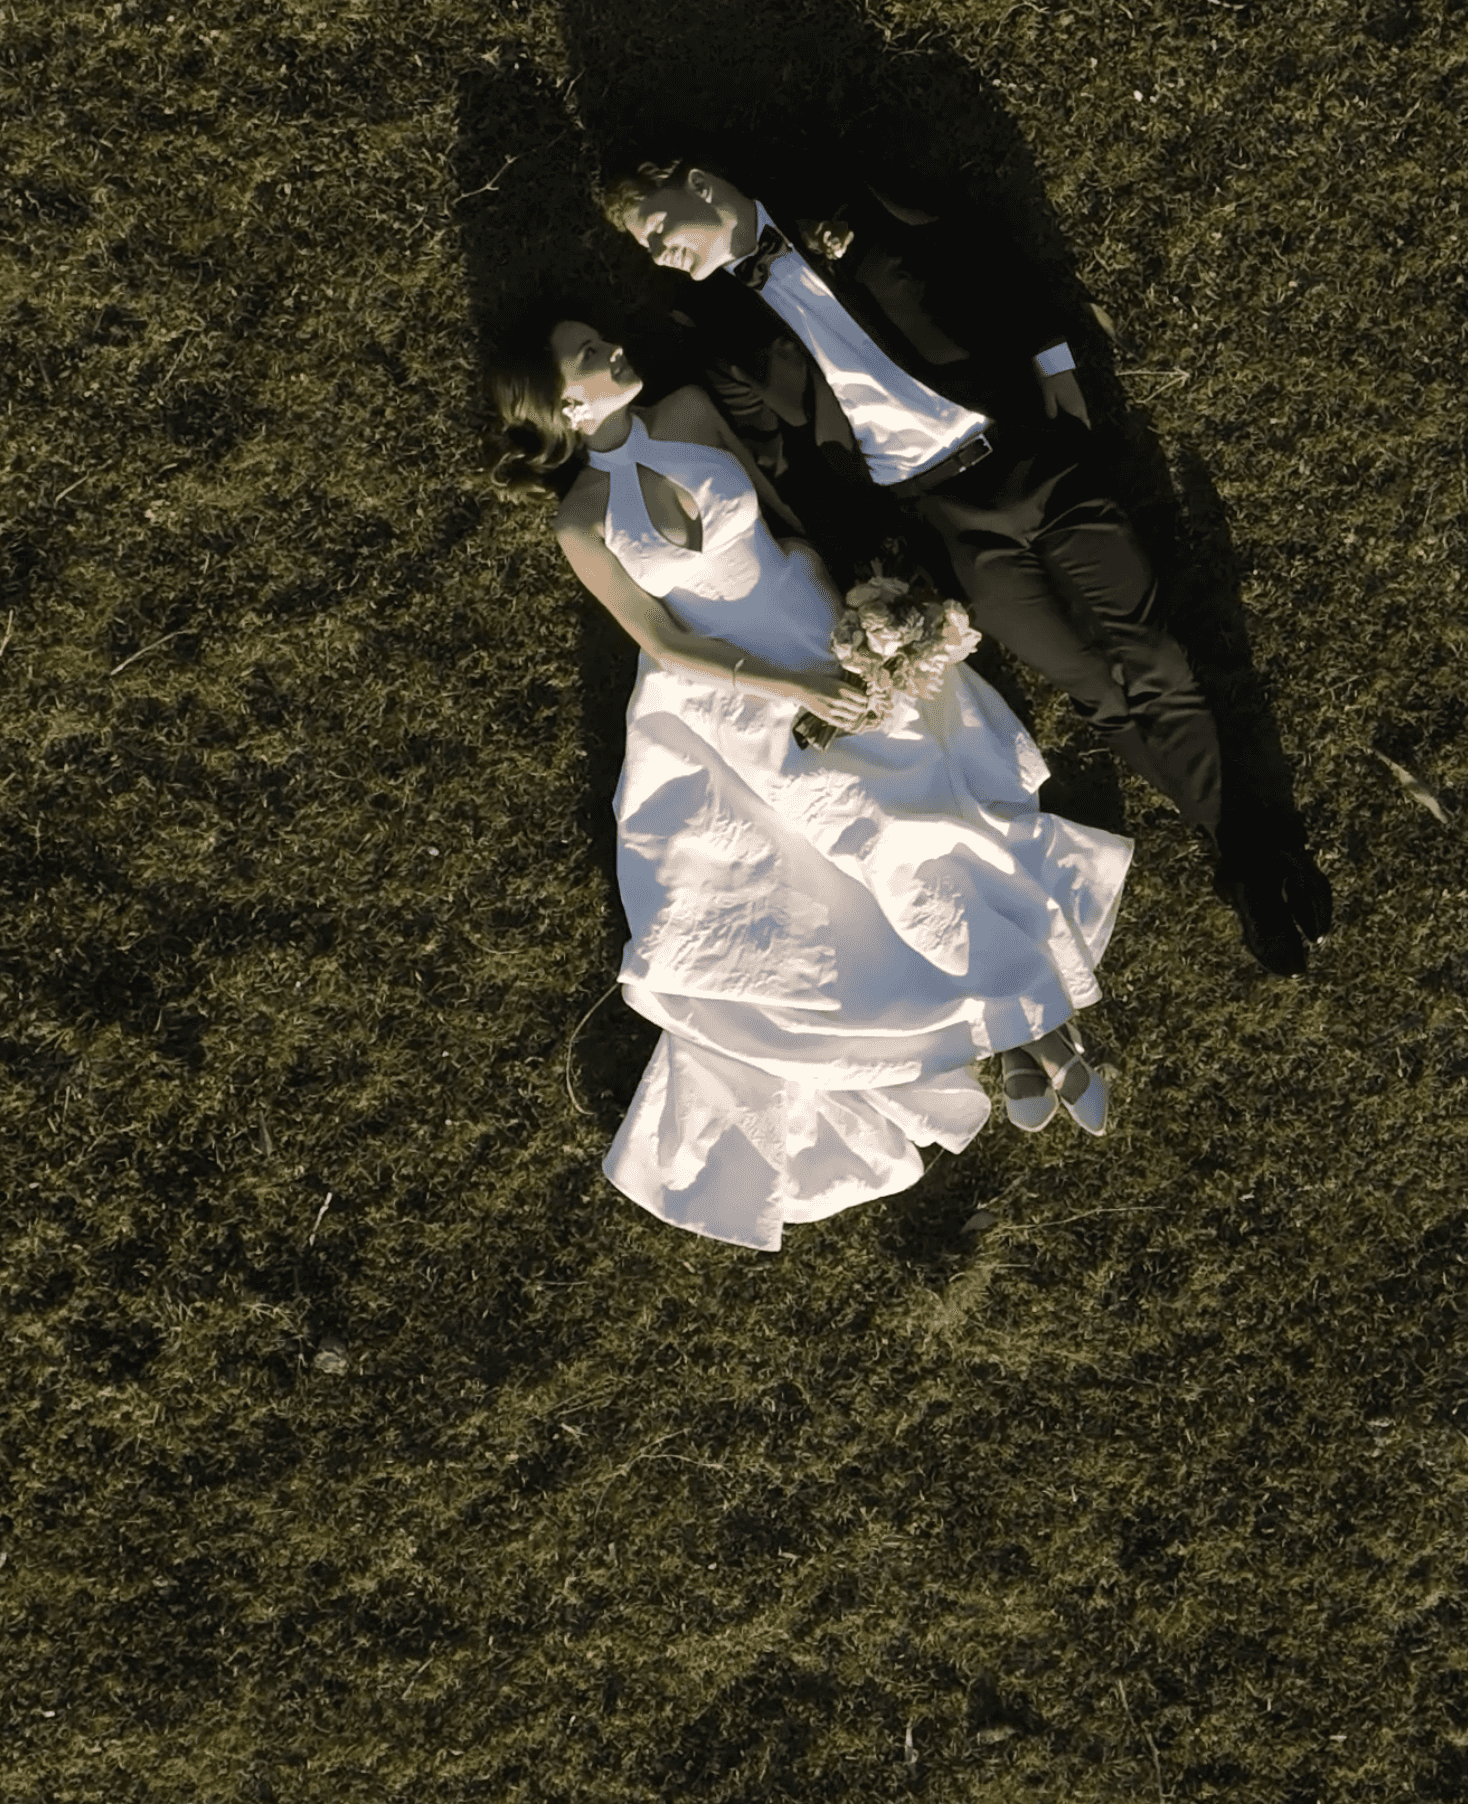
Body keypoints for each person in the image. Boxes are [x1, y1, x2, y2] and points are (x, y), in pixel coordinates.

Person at [492, 311, 1134, 1252]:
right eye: (588, 353)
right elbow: (664, 638)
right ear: (561, 403)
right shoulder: (580, 517)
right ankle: (1030, 1027)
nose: (613, 349)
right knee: (875, 837)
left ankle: (1028, 1032)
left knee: (938, 809)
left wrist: (871, 613)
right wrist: (790, 685)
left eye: (604, 338)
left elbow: (783, 512)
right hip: (732, 687)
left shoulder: (687, 408)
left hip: (814, 616)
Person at [604, 157, 1335, 972]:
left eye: (659, 230)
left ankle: (1251, 869)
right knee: (1092, 687)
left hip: (1031, 453)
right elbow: (776, 456)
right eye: (647, 249)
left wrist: (1057, 373)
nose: (659, 253)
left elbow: (988, 254)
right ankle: (1257, 857)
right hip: (943, 517)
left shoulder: (843, 192)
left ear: (700, 185)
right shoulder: (712, 323)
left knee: (1152, 653)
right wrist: (847, 563)